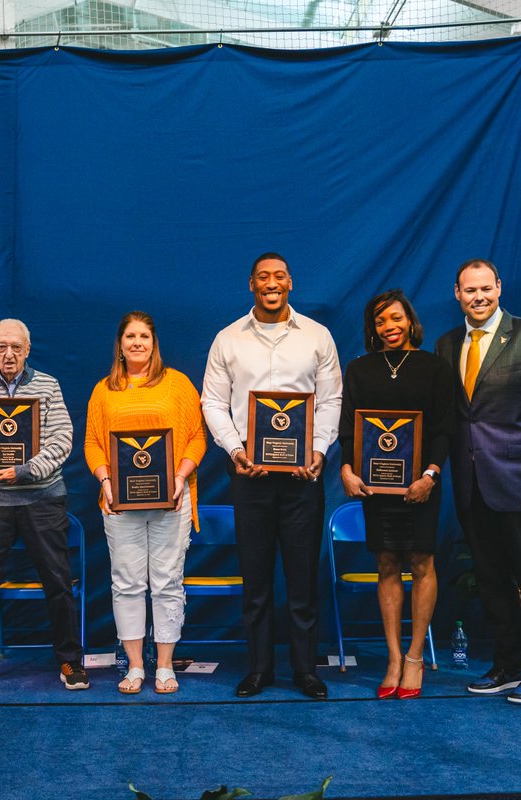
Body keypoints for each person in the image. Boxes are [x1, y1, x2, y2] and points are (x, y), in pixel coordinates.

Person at [201, 252, 342, 700]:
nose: (271, 283)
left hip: (304, 478)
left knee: (302, 581)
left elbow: (332, 401)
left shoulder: (318, 337)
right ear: (251, 285)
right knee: (256, 580)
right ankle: (259, 669)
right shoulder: (227, 339)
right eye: (263, 277)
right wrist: (236, 449)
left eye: (279, 276)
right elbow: (212, 403)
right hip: (249, 476)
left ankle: (305, 671)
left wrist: (319, 449)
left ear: (291, 282)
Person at [435, 258, 521, 705]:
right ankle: (508, 667)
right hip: (472, 484)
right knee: (491, 582)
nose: (478, 297)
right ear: (457, 293)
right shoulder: (447, 344)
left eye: (485, 289)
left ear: (499, 286)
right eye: (468, 290)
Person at [0, 319, 89, 691]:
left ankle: (70, 662)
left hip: (42, 498)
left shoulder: (48, 385)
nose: (8, 354)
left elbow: (62, 439)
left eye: (16, 347)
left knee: (58, 582)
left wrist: (24, 470)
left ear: (27, 349)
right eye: (1, 348)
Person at [338, 289, 455, 700]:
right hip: (376, 488)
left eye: (395, 318)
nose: (389, 327)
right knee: (386, 565)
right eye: (380, 321)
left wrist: (430, 476)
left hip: (421, 485)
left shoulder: (434, 368)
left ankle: (415, 656)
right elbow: (348, 429)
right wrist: (347, 469)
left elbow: (443, 428)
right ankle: (391, 657)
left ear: (410, 321)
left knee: (422, 564)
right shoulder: (359, 370)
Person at [84, 311, 207, 695]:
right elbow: (92, 443)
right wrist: (105, 481)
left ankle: (166, 666)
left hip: (172, 500)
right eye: (130, 336)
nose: (137, 342)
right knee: (126, 584)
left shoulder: (178, 384)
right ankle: (136, 666)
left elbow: (197, 437)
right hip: (120, 506)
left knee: (168, 582)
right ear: (119, 344)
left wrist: (180, 476)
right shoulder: (104, 390)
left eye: (144, 337)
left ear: (154, 343)